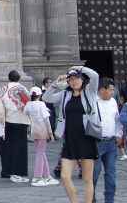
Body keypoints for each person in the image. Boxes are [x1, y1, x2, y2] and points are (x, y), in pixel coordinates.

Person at [42, 66, 102, 203]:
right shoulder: (65, 94)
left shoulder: (89, 92)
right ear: (68, 82)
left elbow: (95, 76)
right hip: (70, 139)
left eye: (77, 78)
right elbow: (46, 97)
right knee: (64, 176)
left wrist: (79, 67)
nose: (74, 82)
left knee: (87, 178)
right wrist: (56, 84)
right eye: (71, 79)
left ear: (82, 79)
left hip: (87, 138)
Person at [0, 70, 31, 183]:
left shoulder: (3, 89)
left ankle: (7, 170)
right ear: (19, 78)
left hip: (7, 120)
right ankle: (18, 172)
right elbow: (27, 103)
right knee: (20, 148)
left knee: (8, 147)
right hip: (20, 120)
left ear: (9, 78)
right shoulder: (22, 88)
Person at [23, 87, 57, 186]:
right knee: (40, 154)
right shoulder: (41, 104)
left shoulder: (29, 104)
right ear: (40, 95)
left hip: (34, 130)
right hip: (42, 130)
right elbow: (46, 119)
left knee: (41, 153)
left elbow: (25, 112)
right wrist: (51, 133)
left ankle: (46, 175)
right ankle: (37, 177)